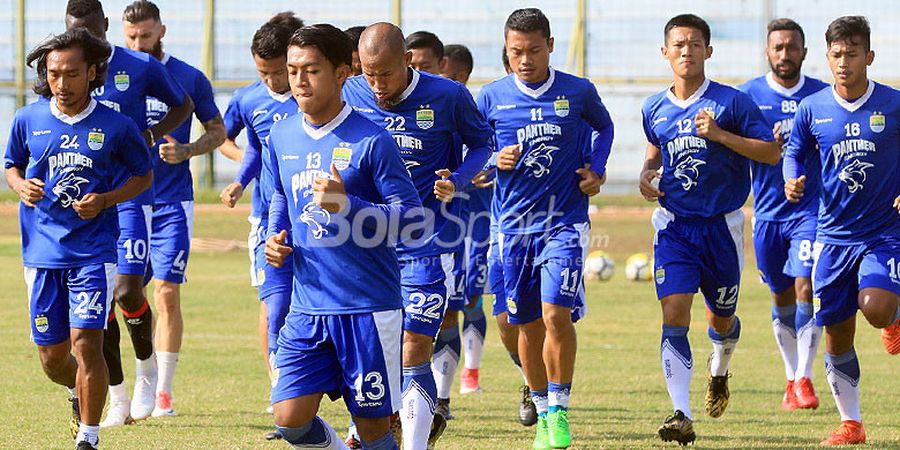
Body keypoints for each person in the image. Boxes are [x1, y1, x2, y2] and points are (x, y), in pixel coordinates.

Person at [263, 23, 422, 450]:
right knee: (290, 420)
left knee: (373, 431)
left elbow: (411, 220)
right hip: (308, 307)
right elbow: (279, 194)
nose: (299, 80)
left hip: (368, 310)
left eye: (311, 70)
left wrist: (349, 206)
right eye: (293, 70)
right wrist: (274, 238)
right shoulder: (280, 135)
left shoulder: (373, 139)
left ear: (342, 73)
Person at [343, 22, 494, 450]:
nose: (376, 85)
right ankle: (368, 427)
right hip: (369, 248)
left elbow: (483, 143)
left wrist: (459, 179)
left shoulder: (448, 96)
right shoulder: (351, 94)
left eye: (385, 74)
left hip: (430, 242)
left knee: (414, 345)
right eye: (368, 74)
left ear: (407, 61)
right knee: (373, 348)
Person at [4, 27, 152, 449]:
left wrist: (106, 199)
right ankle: (78, 391)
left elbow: (143, 176)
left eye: (71, 74)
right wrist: (20, 186)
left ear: (91, 73)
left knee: (87, 341)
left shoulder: (117, 126)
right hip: (42, 253)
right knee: (52, 359)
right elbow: (12, 164)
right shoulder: (27, 119)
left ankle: (88, 437)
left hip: (94, 253)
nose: (61, 84)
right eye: (53, 74)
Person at [638, 13, 780, 446]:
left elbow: (771, 152)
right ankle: (680, 412)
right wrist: (646, 176)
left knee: (721, 319)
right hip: (675, 227)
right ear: (665, 52)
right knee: (674, 313)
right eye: (678, 44)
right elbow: (653, 155)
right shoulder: (653, 108)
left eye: (694, 44)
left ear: (708, 51)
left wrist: (720, 136)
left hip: (722, 228)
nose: (686, 51)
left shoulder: (732, 103)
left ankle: (719, 370)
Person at [477, 8, 614, 449]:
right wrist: (490, 163)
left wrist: (597, 168)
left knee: (555, 314)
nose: (525, 59)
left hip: (565, 223)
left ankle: (558, 411)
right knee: (524, 327)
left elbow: (605, 126)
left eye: (534, 50)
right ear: (506, 51)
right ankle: (539, 407)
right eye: (516, 51)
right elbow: (473, 155)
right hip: (511, 230)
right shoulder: (492, 96)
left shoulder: (577, 92)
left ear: (550, 46)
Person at [94, 0, 224, 424]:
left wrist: (187, 149)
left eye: (146, 36)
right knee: (129, 294)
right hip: (125, 201)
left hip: (171, 202)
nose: (138, 43)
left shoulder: (187, 76)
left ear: (161, 31)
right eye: (131, 37)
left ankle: (162, 391)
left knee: (166, 292)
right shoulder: (107, 72)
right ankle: (125, 387)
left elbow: (217, 131)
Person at [64, 0, 194, 422]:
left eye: (88, 31)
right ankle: (116, 396)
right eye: (73, 31)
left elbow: (184, 105)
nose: (81, 39)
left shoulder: (139, 66)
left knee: (127, 291)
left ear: (104, 26)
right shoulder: (65, 67)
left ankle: (146, 374)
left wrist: (150, 134)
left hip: (132, 198)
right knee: (96, 308)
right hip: (85, 205)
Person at [783, 15, 900, 446]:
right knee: (837, 333)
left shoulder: (892, 104)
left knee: (875, 306)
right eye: (836, 54)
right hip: (832, 237)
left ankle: (893, 315)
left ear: (869, 56)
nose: (844, 61)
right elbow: (793, 152)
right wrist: (790, 178)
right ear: (827, 59)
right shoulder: (813, 108)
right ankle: (852, 423)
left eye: (853, 53)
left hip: (883, 232)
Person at [218, 14, 303, 439]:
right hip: (269, 220)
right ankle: (281, 394)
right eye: (262, 72)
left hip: (317, 221)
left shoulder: (317, 96)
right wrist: (239, 180)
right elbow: (240, 143)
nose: (271, 80)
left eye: (277, 71)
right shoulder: (251, 100)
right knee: (274, 306)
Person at [737, 18, 828, 413]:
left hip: (810, 210)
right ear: (768, 52)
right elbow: (732, 149)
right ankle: (792, 378)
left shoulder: (823, 96)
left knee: (805, 285)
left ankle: (805, 377)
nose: (785, 54)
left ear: (804, 52)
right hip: (767, 214)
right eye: (778, 47)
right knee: (780, 295)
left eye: (792, 47)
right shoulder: (747, 97)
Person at [439, 43, 489, 395]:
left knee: (472, 296)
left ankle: (471, 371)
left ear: (465, 77)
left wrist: (487, 170)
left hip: (480, 220)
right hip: (448, 223)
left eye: (455, 76)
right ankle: (444, 387)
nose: (449, 81)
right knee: (449, 302)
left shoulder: (476, 110)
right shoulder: (435, 112)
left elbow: (493, 151)